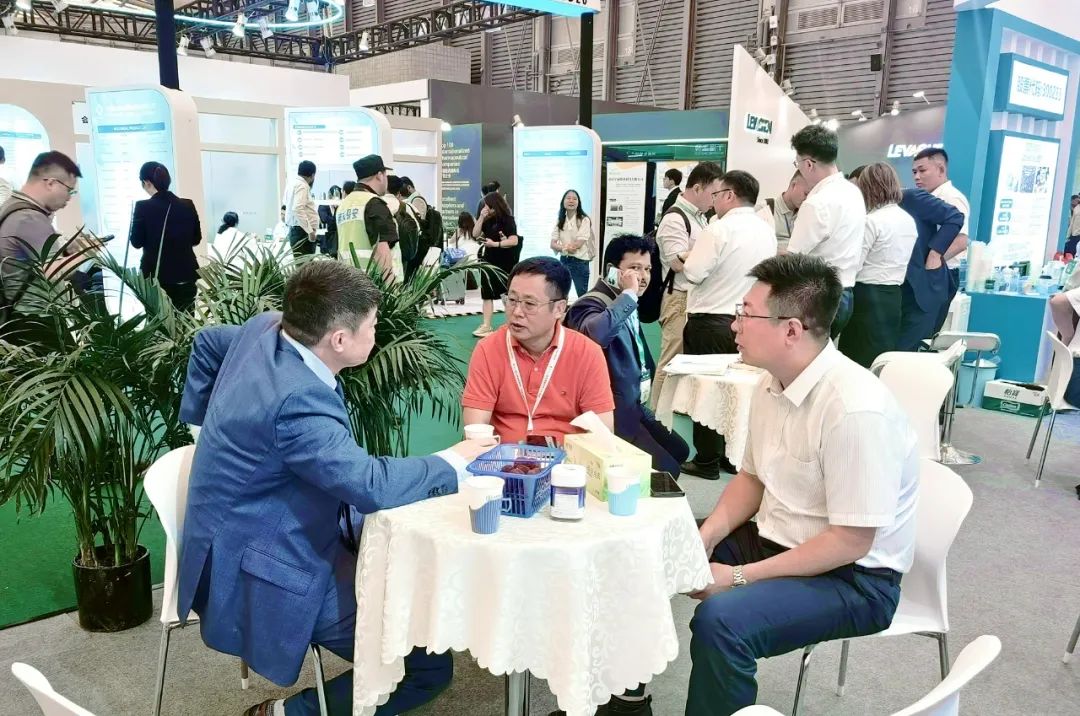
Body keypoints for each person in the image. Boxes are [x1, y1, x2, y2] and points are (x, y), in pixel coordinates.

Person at [177, 261, 496, 716]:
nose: (377, 331)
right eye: (372, 324)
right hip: (268, 562)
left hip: (259, 523)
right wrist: (455, 460)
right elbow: (369, 484)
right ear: (340, 340)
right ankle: (286, 713)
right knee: (426, 665)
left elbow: (207, 342)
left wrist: (204, 426)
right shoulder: (298, 400)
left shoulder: (265, 328)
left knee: (402, 570)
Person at [685, 253, 918, 716]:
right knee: (652, 552)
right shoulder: (770, 383)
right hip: (777, 537)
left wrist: (736, 577)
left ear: (791, 330)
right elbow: (752, 479)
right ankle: (626, 703)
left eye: (745, 314)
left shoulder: (854, 409)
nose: (734, 325)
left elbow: (851, 541)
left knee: (721, 622)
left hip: (854, 577)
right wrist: (704, 537)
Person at [678, 170, 777, 479]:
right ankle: (730, 457)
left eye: (717, 195)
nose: (714, 201)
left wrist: (687, 256)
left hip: (709, 320)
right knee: (734, 391)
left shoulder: (719, 228)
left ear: (730, 195)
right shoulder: (765, 230)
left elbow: (693, 272)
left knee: (707, 391)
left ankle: (706, 460)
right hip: (746, 320)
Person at [565, 235, 689, 477]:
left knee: (680, 450)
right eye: (634, 268)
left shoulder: (624, 300)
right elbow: (596, 336)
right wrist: (629, 295)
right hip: (611, 412)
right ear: (612, 271)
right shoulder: (589, 304)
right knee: (667, 470)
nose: (643, 277)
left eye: (647, 269)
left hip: (635, 404)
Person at [462, 257, 615, 445]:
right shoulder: (488, 349)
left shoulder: (587, 353)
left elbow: (603, 432)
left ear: (559, 308)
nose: (517, 312)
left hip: (566, 458)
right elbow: (475, 428)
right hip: (504, 457)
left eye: (529, 304)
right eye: (512, 300)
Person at [651, 161, 725, 410]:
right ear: (697, 188)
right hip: (678, 298)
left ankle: (669, 413)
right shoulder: (675, 218)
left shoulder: (701, 218)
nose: (715, 200)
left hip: (693, 299)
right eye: (713, 193)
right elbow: (676, 262)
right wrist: (711, 250)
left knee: (683, 359)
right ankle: (655, 416)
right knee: (670, 361)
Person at [787, 124, 867, 338]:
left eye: (797, 164)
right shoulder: (853, 192)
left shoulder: (817, 202)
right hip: (845, 294)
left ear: (808, 164)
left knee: (804, 356)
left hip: (817, 298)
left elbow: (793, 260)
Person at [837, 163, 919, 368]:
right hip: (893, 297)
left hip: (866, 298)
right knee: (881, 361)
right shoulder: (908, 220)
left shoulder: (871, 221)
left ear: (868, 188)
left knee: (855, 362)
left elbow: (854, 264)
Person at [0, 150, 85, 333]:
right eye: (69, 190)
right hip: (36, 321)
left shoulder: (10, 206)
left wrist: (65, 251)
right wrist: (87, 251)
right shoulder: (30, 218)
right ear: (51, 183)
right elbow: (53, 272)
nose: (69, 198)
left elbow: (31, 260)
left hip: (17, 318)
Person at [895, 188, 964, 351]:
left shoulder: (910, 198)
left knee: (911, 351)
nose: (918, 176)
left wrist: (935, 253)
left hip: (924, 288)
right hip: (898, 290)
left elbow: (955, 217)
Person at [128, 161, 202, 312]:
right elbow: (196, 239)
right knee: (187, 321)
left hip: (156, 278)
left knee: (159, 322)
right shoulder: (188, 204)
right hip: (185, 275)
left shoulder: (142, 207)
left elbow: (136, 242)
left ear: (146, 182)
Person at [912, 147, 969, 330]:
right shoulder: (926, 198)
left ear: (941, 169)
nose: (917, 177)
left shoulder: (951, 197)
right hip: (929, 272)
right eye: (914, 172)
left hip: (942, 273)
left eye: (922, 170)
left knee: (927, 328)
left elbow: (960, 241)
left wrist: (932, 264)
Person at [336, 154, 398, 281]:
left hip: (348, 283)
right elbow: (382, 251)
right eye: (385, 175)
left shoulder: (343, 205)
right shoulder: (374, 204)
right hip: (372, 283)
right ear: (379, 175)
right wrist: (390, 288)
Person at [470, 191, 520, 337]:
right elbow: (475, 234)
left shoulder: (508, 220)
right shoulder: (487, 220)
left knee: (507, 294)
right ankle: (486, 325)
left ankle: (513, 323)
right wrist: (481, 217)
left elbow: (514, 240)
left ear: (494, 205)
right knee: (486, 294)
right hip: (488, 260)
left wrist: (496, 244)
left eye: (487, 205)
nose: (485, 208)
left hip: (504, 261)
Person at [550, 189, 596, 298]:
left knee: (582, 295)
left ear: (578, 203)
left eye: (575, 199)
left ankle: (582, 310)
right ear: (563, 202)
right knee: (561, 293)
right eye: (568, 198)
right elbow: (552, 244)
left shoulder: (584, 220)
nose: (571, 201)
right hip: (564, 260)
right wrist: (565, 248)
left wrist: (562, 247)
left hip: (579, 262)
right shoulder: (560, 220)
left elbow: (578, 244)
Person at [388, 176, 423, 280]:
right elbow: (417, 229)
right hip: (403, 254)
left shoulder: (375, 204)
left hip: (381, 255)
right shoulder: (407, 207)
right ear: (399, 193)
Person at [284, 160, 319, 257]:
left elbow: (286, 204)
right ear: (312, 175)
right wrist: (310, 231)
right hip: (302, 232)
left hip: (296, 230)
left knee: (301, 263)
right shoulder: (303, 186)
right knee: (307, 264)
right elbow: (298, 208)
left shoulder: (291, 184)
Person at [771, 171, 808, 251]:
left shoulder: (807, 213)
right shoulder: (765, 208)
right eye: (806, 194)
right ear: (793, 185)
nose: (807, 199)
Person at [317, 185, 342, 259]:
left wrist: (337, 208)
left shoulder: (341, 207)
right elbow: (325, 219)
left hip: (338, 242)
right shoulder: (323, 206)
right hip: (326, 241)